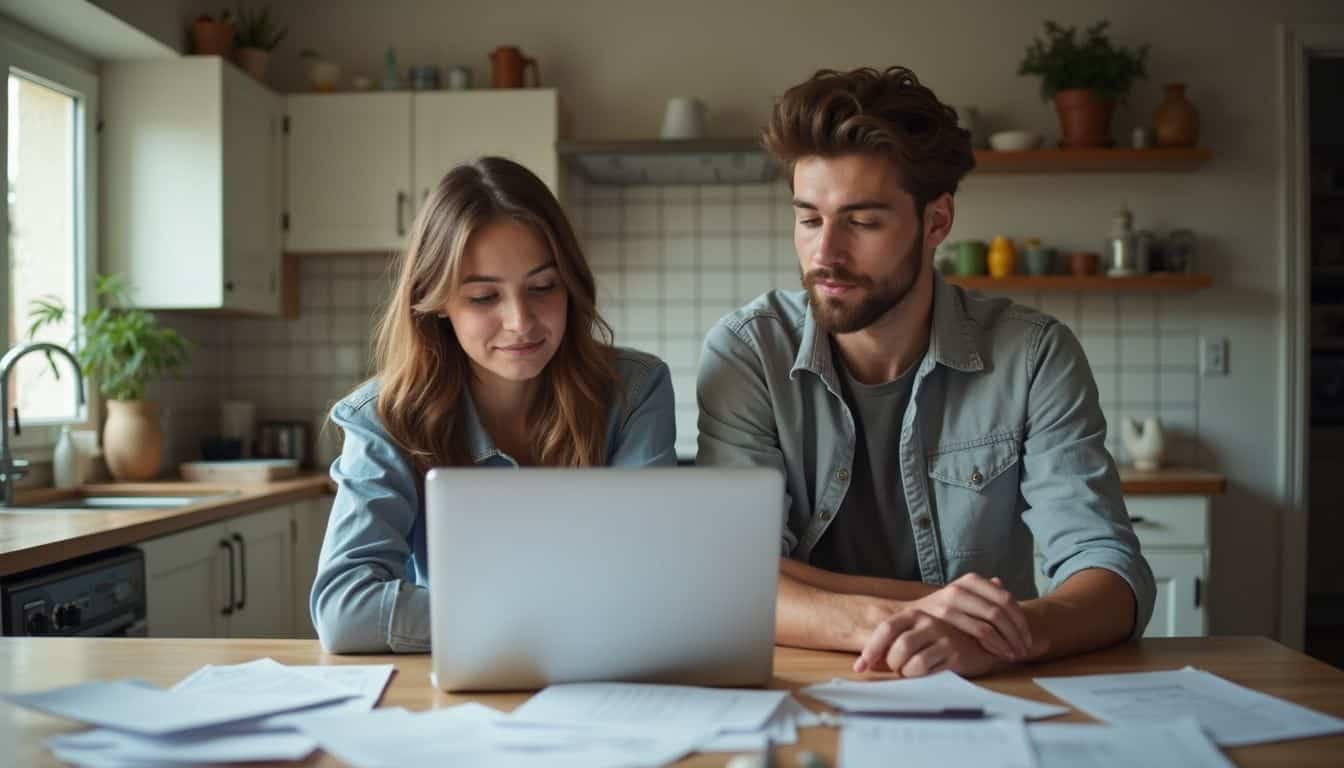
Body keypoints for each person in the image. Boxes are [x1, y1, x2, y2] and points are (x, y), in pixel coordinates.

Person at [696, 67, 1155, 678]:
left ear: (937, 222)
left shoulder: (1035, 354)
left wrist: (997, 639)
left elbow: (1110, 572)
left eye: (861, 222)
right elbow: (732, 575)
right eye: (809, 219)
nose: (825, 253)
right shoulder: (749, 351)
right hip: (799, 683)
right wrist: (927, 612)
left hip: (986, 682)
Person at [312, 156, 677, 653]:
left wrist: (488, 618)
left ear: (570, 283)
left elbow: (655, 583)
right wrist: (547, 619)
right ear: (438, 300)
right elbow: (343, 610)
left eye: (543, 287)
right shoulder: (384, 417)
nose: (520, 322)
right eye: (485, 297)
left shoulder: (635, 391)